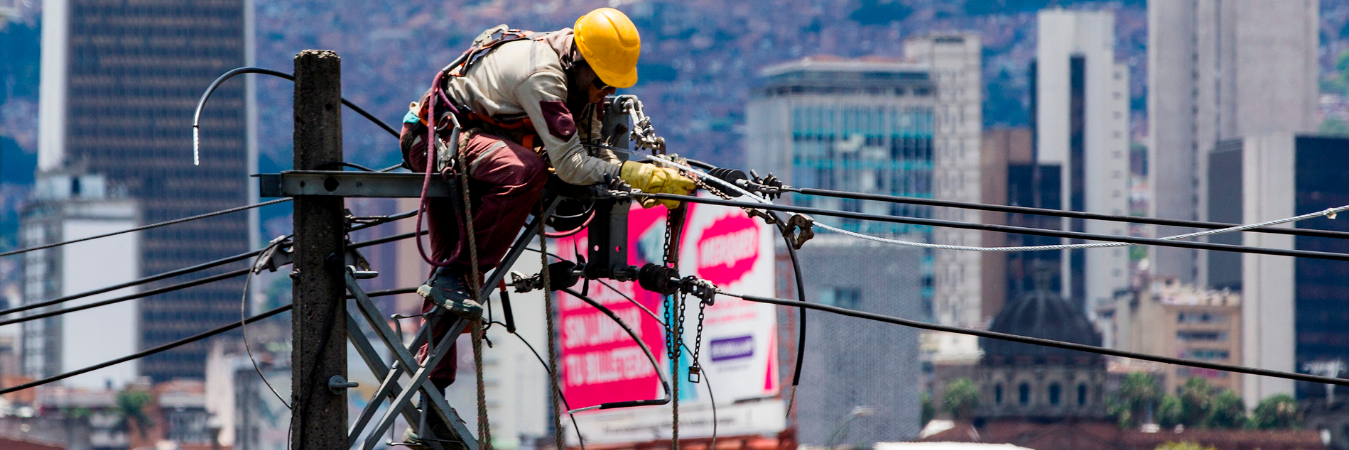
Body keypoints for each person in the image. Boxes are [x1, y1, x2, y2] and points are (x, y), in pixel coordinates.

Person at [398, 5, 694, 429]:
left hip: (475, 145)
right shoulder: (544, 75)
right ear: (581, 62)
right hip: (436, 140)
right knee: (522, 175)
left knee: (451, 289)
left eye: (613, 85)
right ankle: (457, 277)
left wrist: (641, 183)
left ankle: (430, 412)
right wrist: (635, 174)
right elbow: (571, 165)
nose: (606, 92)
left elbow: (593, 154)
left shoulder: (582, 82)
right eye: (602, 82)